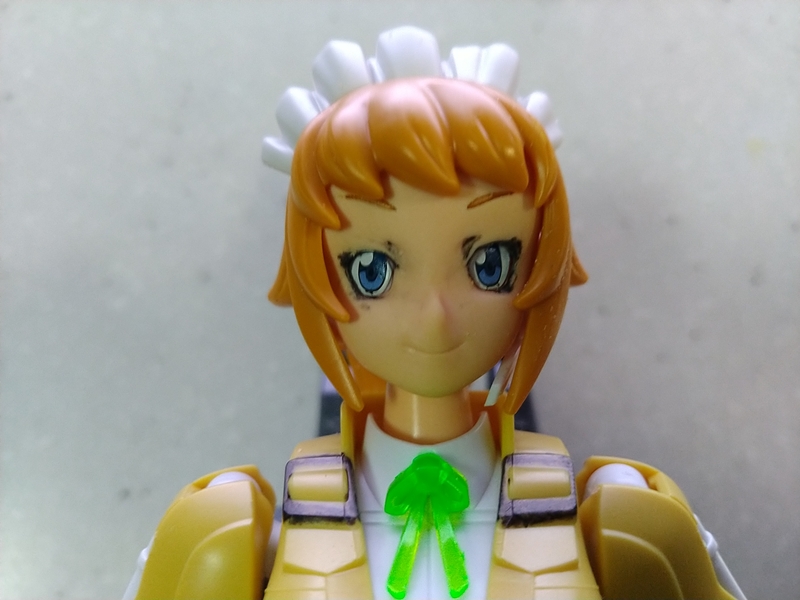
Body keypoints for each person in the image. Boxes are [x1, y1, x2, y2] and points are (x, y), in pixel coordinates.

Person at [125, 26, 745, 600]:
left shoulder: (621, 523)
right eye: (372, 270)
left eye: (489, 265)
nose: (435, 316)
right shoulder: (238, 536)